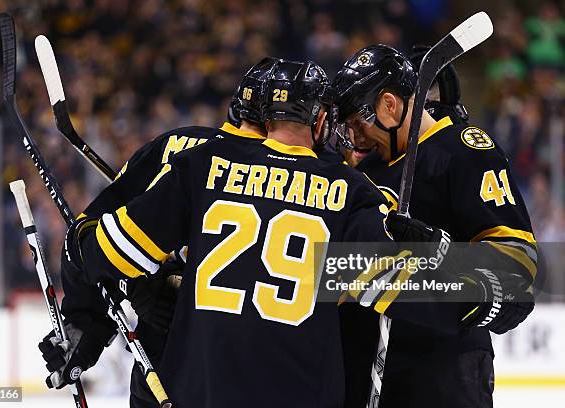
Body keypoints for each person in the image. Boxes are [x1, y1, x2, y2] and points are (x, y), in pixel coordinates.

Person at [55, 58, 458, 407]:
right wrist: (434, 251)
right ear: (320, 120)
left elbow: (108, 252)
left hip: (198, 392)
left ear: (263, 118)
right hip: (302, 393)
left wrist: (83, 236)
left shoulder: (202, 164)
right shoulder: (348, 189)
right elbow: (425, 292)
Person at [37, 57, 280, 407]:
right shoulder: (323, 177)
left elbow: (88, 242)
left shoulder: (182, 147)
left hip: (170, 365)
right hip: (263, 371)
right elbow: (338, 278)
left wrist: (89, 316)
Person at [332, 44, 536, 408]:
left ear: (390, 106)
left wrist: (441, 251)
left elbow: (516, 269)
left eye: (356, 123)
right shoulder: (365, 169)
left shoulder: (464, 151)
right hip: (367, 366)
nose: (354, 137)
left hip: (442, 369)